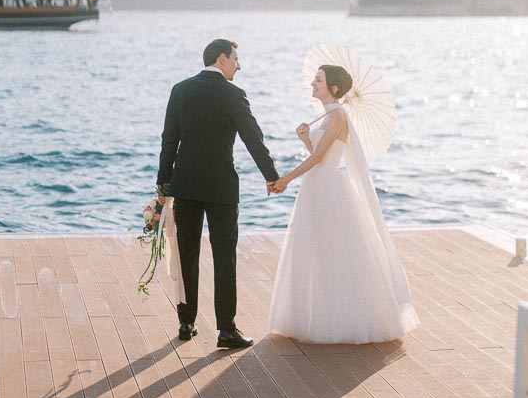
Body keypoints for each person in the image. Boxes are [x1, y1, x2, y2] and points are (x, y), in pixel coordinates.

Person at [267, 64, 418, 343]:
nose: (313, 83)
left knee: (332, 251)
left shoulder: (337, 116)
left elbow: (319, 159)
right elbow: (320, 155)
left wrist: (285, 179)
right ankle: (316, 315)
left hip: (327, 187)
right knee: (315, 249)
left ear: (334, 88)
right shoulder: (328, 116)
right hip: (317, 184)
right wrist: (305, 139)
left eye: (319, 80)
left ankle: (338, 319)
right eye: (314, 78)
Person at [157, 38, 279, 350]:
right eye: (236, 58)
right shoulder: (233, 93)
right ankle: (226, 330)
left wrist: (163, 185)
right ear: (222, 58)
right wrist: (272, 176)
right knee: (225, 257)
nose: (239, 65)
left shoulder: (180, 90)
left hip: (185, 184)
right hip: (222, 187)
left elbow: (169, 140)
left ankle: (187, 322)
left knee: (187, 254)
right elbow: (253, 137)